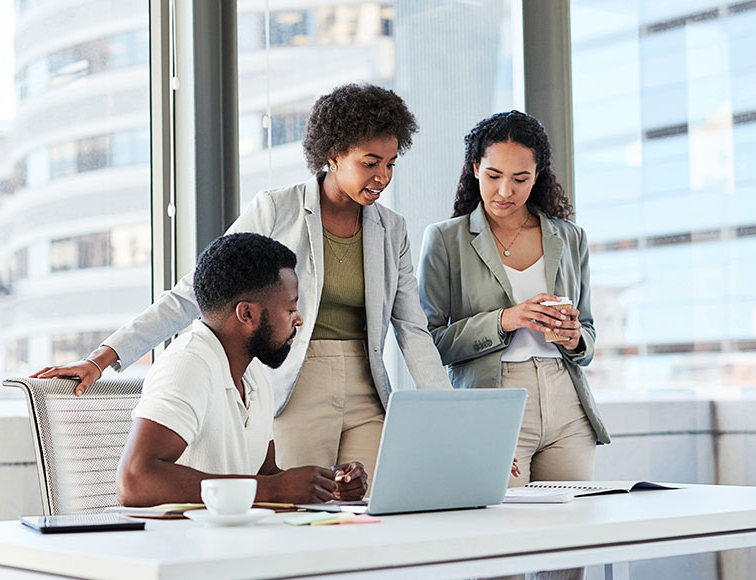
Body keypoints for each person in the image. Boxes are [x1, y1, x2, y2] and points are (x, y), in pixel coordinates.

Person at [33, 83, 451, 482]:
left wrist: (451, 417)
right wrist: (104, 357)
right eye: (370, 163)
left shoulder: (391, 229)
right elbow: (200, 289)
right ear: (334, 153)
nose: (383, 177)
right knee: (300, 515)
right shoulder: (276, 209)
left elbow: (412, 329)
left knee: (368, 514)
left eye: (391, 164)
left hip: (368, 390)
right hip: (295, 385)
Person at [418, 112, 608, 580]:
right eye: (494, 176)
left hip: (566, 404)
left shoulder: (569, 236)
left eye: (520, 179)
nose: (505, 191)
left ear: (538, 176)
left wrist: (573, 336)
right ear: (475, 170)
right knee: (497, 554)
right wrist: (507, 319)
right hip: (495, 403)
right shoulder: (446, 240)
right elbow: (429, 342)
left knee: (567, 554)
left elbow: (588, 330)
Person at [117, 233, 367, 507]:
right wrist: (273, 490)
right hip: (183, 543)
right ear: (246, 314)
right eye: (290, 308)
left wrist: (326, 485)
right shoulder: (188, 364)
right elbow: (134, 481)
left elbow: (266, 475)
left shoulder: (254, 374)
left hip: (236, 540)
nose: (299, 319)